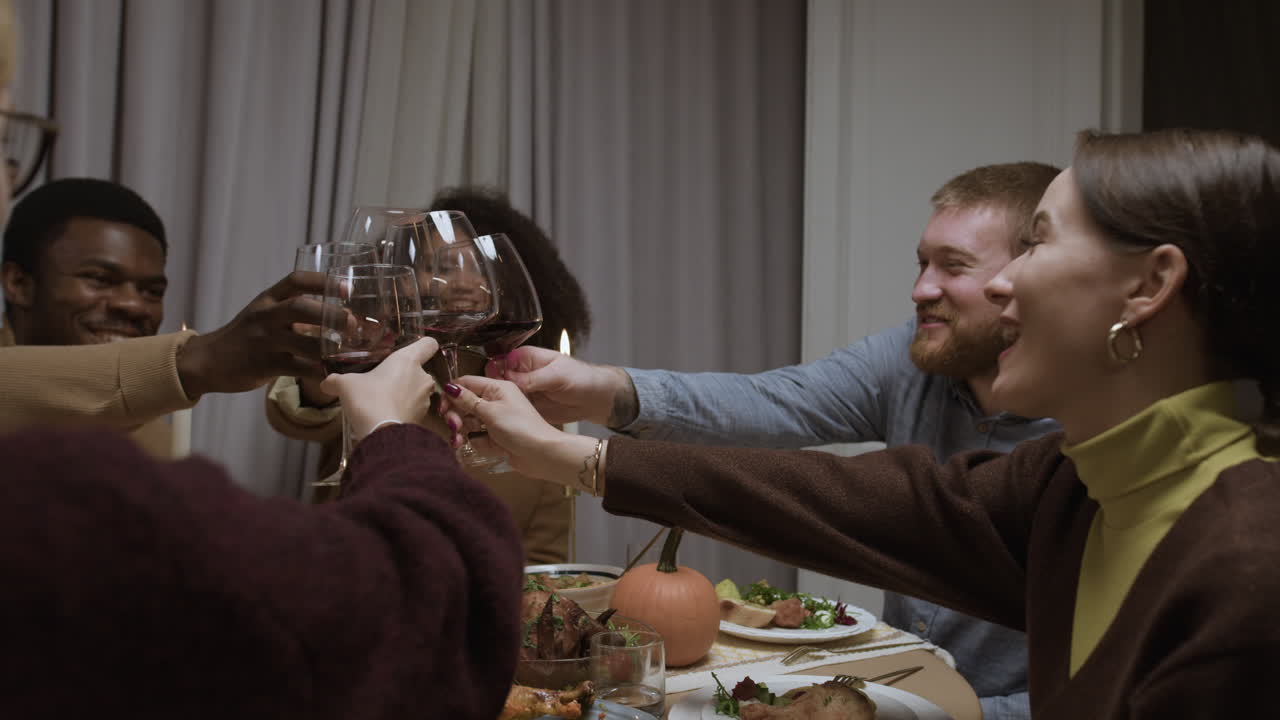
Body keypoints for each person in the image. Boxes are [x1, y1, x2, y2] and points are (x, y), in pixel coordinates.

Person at [445, 127, 1280, 717]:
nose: (999, 286)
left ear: (1148, 288)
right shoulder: (1079, 483)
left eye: (1038, 245)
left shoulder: (1244, 570)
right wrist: (577, 450)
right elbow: (843, 491)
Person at [0, 6, 523, 714]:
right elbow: (401, 618)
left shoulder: (144, 419)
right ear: (18, 281)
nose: (7, 174)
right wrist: (389, 434)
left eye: (12, 137)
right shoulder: (83, 480)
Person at [473, 162, 1060, 718]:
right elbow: (773, 403)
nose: (920, 289)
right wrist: (602, 390)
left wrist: (585, 461)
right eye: (922, 263)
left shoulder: (1080, 434)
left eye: (953, 266)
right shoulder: (910, 358)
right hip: (909, 682)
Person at [267, 184, 592, 564]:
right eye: (439, 268)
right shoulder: (383, 358)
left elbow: (545, 563)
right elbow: (300, 415)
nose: (460, 283)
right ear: (401, 276)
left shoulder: (535, 400)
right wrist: (317, 359)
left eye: (478, 267)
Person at [0, 177, 341, 453]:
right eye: (100, 279)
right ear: (19, 283)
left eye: (151, 291)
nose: (133, 306)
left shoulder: (149, 436)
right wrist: (197, 361)